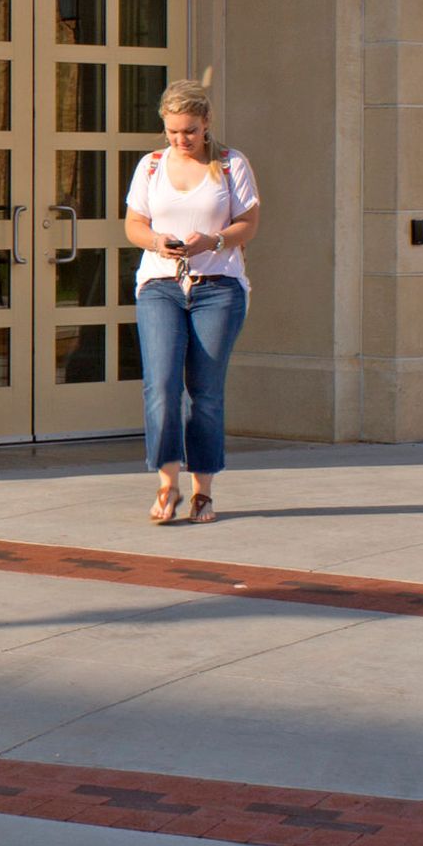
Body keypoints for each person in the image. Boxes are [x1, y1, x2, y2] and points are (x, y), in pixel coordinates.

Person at [123, 77, 259, 526]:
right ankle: (167, 483)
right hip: (160, 285)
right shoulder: (150, 166)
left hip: (217, 287)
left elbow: (248, 225)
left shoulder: (230, 163)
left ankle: (203, 491)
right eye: (173, 130)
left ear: (206, 124)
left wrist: (213, 240)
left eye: (190, 130)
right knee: (161, 385)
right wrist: (157, 241)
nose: (181, 139)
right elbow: (134, 226)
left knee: (205, 392)